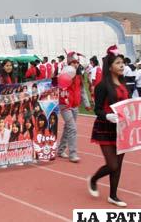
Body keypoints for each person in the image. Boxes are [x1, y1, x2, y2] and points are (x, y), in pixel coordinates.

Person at [88, 47, 130, 207]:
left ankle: (113, 195)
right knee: (112, 164)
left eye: (123, 63)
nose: (122, 65)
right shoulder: (102, 85)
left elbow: (128, 104)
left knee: (118, 164)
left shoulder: (124, 82)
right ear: (110, 66)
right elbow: (97, 109)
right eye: (118, 63)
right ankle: (93, 179)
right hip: (105, 127)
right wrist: (107, 115)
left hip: (122, 128)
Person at [57, 50, 91, 163]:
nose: (76, 64)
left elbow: (82, 91)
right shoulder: (64, 74)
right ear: (69, 63)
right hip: (65, 105)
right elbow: (60, 88)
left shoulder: (79, 76)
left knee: (68, 128)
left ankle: (60, 150)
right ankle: (73, 153)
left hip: (75, 106)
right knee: (72, 128)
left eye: (77, 62)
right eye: (73, 62)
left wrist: (86, 104)